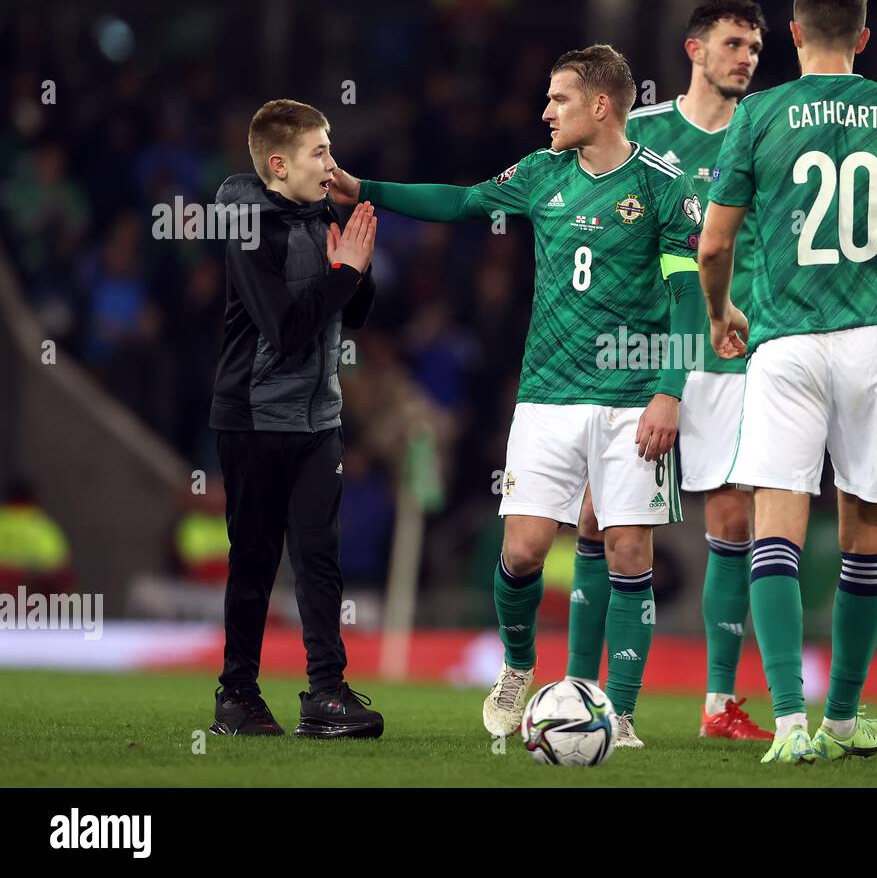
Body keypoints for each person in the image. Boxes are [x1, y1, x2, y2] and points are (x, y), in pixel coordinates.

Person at [330, 45, 706, 748]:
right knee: (526, 550)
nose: (545, 111)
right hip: (547, 396)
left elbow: (688, 296)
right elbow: (463, 201)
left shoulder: (665, 186)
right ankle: (517, 666)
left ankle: (617, 713)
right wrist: (367, 188)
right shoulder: (540, 174)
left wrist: (671, 391)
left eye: (558, 98)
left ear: (600, 105)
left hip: (633, 396)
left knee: (629, 551)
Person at [699, 0, 877, 764]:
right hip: (876, 339)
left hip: (784, 340)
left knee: (776, 525)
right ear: (863, 37)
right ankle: (845, 717)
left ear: (793, 33)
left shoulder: (758, 114)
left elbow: (714, 241)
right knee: (867, 531)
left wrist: (721, 313)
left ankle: (789, 723)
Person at [564, 0, 774, 742]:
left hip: (727, 355)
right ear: (694, 50)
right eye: (732, 44)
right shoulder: (639, 131)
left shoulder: (763, 137)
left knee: (733, 517)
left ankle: (719, 704)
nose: (745, 57)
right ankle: (581, 693)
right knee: (600, 518)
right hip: (640, 352)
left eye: (753, 46)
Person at [209, 99, 383, 738]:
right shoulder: (250, 226)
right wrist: (344, 273)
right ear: (278, 165)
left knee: (320, 557)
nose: (333, 166)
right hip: (253, 416)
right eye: (320, 153)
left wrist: (356, 272)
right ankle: (236, 696)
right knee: (254, 558)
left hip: (318, 418)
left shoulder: (318, 214)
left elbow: (353, 312)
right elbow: (282, 330)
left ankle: (327, 695)